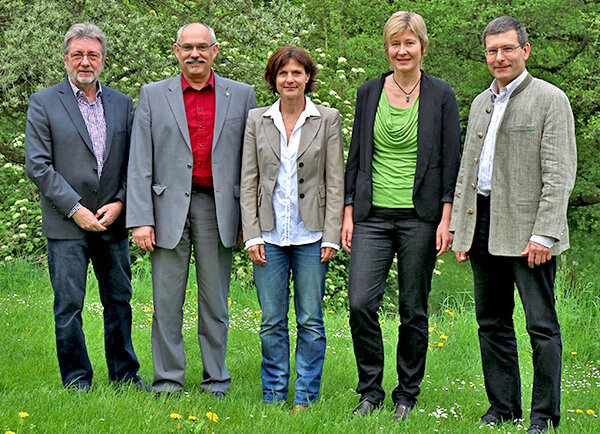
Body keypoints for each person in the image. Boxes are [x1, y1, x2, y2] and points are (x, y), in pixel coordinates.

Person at [450, 16, 576, 434]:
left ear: (525, 50)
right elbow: (469, 170)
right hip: (482, 224)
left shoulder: (549, 99)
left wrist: (546, 233)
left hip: (529, 234)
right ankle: (503, 408)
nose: (499, 57)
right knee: (491, 322)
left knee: (541, 326)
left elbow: (559, 174)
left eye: (506, 48)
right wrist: (459, 231)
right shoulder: (480, 102)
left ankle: (543, 416)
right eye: (492, 50)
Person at [126, 22, 256, 396]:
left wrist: (249, 220)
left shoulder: (242, 95)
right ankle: (168, 381)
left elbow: (252, 163)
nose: (195, 54)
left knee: (215, 302)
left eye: (202, 47)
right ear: (176, 50)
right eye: (187, 47)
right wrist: (140, 219)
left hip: (219, 208)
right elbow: (140, 161)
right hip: (166, 210)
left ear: (216, 50)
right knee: (166, 302)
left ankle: (216, 380)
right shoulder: (152, 95)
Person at [342, 11, 461, 419]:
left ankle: (406, 395)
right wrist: (347, 212)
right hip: (371, 215)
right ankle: (370, 391)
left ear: (422, 47)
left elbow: (450, 162)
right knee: (360, 302)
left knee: (413, 309)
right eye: (395, 43)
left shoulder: (441, 94)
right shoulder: (368, 91)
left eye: (410, 42)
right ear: (387, 48)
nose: (402, 50)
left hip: (421, 218)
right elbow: (356, 156)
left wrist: (447, 219)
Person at [24, 23, 148, 391]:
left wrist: (122, 202)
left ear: (103, 60)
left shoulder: (122, 103)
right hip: (66, 223)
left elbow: (135, 162)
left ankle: (124, 375)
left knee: (120, 302)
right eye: (77, 54)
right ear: (65, 58)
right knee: (68, 306)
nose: (85, 61)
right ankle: (77, 379)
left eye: (92, 54)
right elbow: (38, 165)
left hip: (111, 220)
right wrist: (74, 208)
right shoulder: (44, 102)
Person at [240, 46, 344, 410]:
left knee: (311, 321)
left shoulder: (327, 119)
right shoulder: (257, 120)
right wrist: (251, 232)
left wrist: (332, 234)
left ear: (308, 78)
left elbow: (335, 181)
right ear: (273, 79)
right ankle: (272, 394)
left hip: (312, 236)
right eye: (283, 73)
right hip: (267, 234)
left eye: (297, 73)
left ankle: (305, 396)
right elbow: (248, 180)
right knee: (271, 321)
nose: (290, 80)